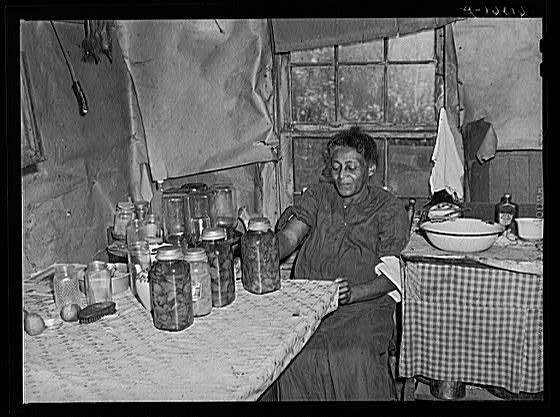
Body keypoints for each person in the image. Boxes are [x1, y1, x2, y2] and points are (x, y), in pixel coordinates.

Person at [275, 126, 410, 401]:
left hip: (364, 308)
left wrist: (352, 294)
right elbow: (291, 235)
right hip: (311, 303)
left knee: (352, 356)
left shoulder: (387, 208)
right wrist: (264, 249)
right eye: (336, 167)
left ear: (370, 168)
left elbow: (395, 274)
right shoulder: (318, 196)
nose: (342, 176)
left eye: (351, 167)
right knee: (290, 351)